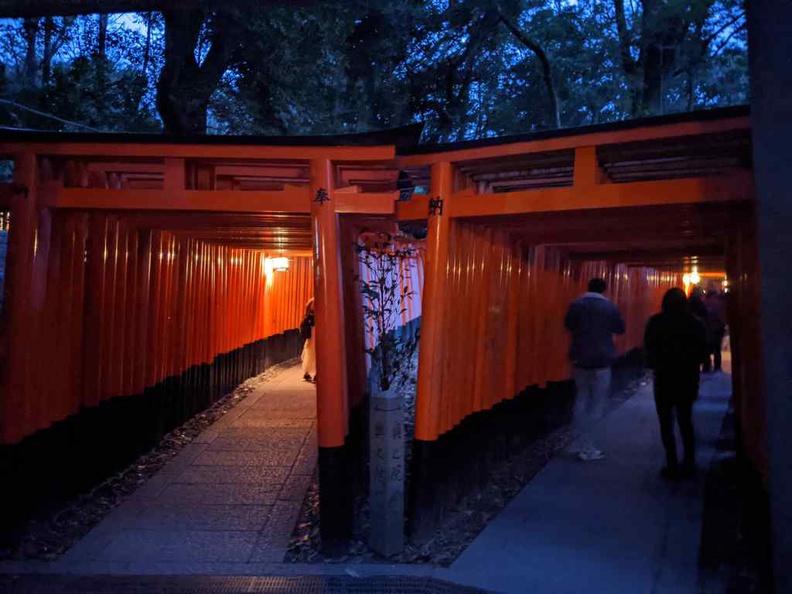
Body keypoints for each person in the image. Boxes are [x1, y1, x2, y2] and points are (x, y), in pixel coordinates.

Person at [644, 288, 708, 480]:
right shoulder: (695, 324)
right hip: (687, 379)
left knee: (666, 423)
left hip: (664, 378)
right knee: (685, 420)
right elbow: (703, 354)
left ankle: (671, 464)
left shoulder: (656, 322)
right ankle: (689, 463)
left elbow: (649, 351)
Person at [564, 278, 626, 461]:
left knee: (581, 398)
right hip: (602, 359)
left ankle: (578, 442)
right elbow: (620, 328)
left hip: (580, 358)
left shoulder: (577, 305)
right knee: (597, 403)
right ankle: (588, 447)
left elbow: (568, 325)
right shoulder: (610, 308)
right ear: (604, 290)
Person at [704, 289, 727, 372]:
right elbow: (723, 315)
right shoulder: (720, 303)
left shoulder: (704, 302)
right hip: (718, 328)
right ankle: (717, 366)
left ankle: (707, 366)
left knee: (706, 348)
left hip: (707, 328)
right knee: (717, 348)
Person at [300, 298, 316, 382]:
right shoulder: (308, 317)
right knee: (310, 354)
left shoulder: (310, 317)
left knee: (315, 354)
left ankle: (315, 373)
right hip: (312, 337)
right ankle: (307, 373)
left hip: (315, 335)